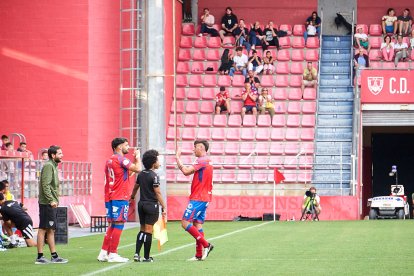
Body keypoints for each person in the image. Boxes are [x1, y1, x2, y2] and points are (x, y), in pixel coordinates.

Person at [97, 138, 141, 263]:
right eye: (126, 145)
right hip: (120, 196)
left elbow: (123, 174)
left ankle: (104, 252)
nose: (128, 147)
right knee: (119, 223)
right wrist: (137, 157)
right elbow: (138, 169)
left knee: (112, 224)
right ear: (120, 147)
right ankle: (113, 254)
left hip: (110, 196)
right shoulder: (121, 159)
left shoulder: (109, 160)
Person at [175, 140, 214, 261]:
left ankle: (207, 245)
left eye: (195, 147)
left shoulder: (202, 160)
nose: (193, 150)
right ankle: (198, 255)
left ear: (201, 148)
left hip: (199, 198)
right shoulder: (207, 160)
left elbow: (186, 172)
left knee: (185, 222)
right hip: (204, 197)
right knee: (197, 224)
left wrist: (177, 158)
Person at [130, 150, 166, 262]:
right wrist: (164, 206)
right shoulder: (154, 176)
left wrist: (132, 197)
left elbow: (136, 187)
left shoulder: (140, 174)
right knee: (148, 231)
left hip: (141, 204)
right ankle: (146, 257)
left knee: (142, 229)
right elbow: (158, 193)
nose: (159, 162)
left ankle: (136, 254)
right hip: (151, 205)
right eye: (157, 160)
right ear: (153, 162)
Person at [35, 145, 68, 264]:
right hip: (47, 203)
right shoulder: (49, 166)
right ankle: (40, 257)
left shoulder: (53, 165)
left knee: (50, 229)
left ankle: (54, 256)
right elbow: (45, 185)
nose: (62, 155)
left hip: (50, 203)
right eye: (59, 153)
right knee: (43, 228)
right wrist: (51, 200)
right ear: (53, 155)